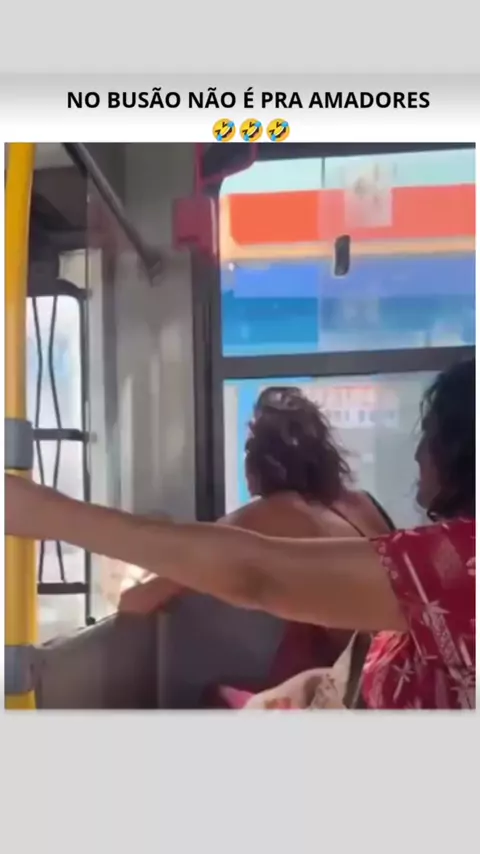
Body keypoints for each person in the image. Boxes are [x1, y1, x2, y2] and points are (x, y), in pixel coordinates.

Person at [5, 360, 475, 709]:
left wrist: (46, 515)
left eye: (430, 437)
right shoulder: (361, 502)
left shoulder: (456, 559)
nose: (418, 454)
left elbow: (206, 583)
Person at [109, 386, 394, 705]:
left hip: (365, 694)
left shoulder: (275, 513)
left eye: (248, 450)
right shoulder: (362, 503)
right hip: (402, 675)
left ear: (260, 462)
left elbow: (141, 598)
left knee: (216, 700)